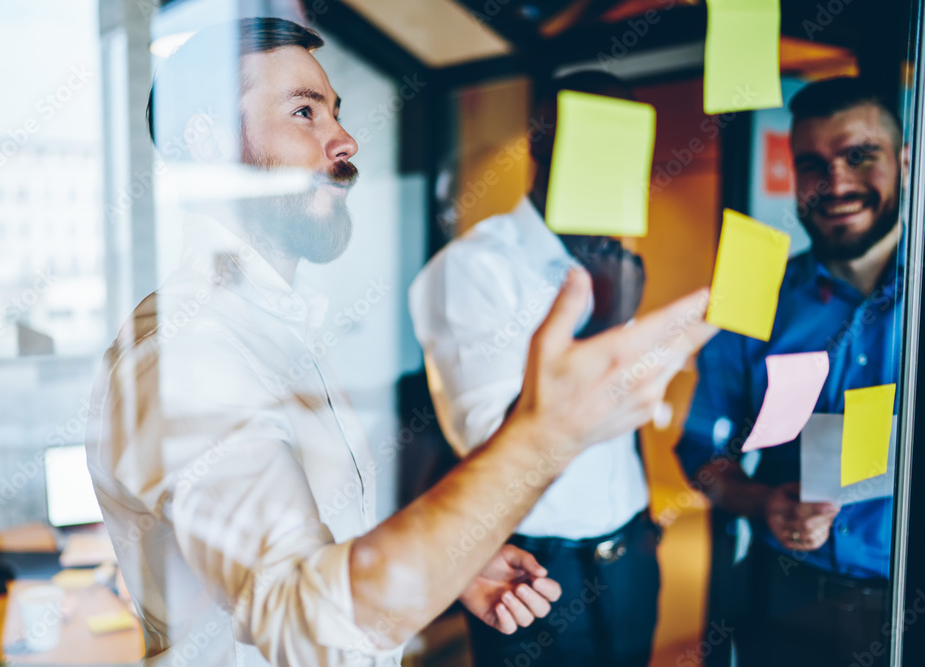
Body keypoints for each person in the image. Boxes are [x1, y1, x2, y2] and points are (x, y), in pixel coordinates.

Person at [85, 18, 715, 666]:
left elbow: (322, 540)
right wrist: (548, 431)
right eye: (304, 112)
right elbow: (298, 615)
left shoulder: (280, 326)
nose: (345, 139)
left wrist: (445, 561)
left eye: (335, 112)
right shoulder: (184, 353)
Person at [410, 71, 662, 667]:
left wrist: (645, 523)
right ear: (545, 138)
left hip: (630, 549)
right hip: (535, 566)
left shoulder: (612, 261)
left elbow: (621, 419)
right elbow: (491, 442)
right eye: (602, 137)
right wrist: (602, 329)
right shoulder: (474, 269)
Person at [676, 76, 906, 667]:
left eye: (860, 155)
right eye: (812, 164)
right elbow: (701, 450)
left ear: (905, 162)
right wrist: (758, 501)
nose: (837, 183)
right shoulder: (754, 296)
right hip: (784, 602)